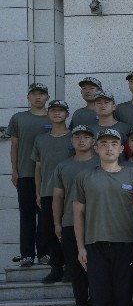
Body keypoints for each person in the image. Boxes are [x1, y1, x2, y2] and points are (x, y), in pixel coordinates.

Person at [72, 128, 133, 306]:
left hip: (125, 245)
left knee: (124, 298)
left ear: (121, 148)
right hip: (95, 245)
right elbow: (78, 213)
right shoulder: (84, 176)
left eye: (114, 143)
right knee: (101, 299)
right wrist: (81, 247)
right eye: (104, 143)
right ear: (96, 148)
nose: (109, 148)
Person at [51, 125, 98, 306]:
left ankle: (96, 304)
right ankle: (81, 305)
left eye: (86, 137)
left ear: (93, 141)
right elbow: (57, 196)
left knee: (97, 268)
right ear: (71, 141)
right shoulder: (63, 166)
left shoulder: (102, 163)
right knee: (75, 267)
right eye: (77, 137)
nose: (81, 140)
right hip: (70, 223)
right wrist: (57, 223)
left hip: (97, 224)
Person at [10, 82, 52, 267]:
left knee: (45, 216)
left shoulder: (54, 117)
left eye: (41, 93)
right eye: (34, 93)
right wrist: (14, 170)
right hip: (25, 174)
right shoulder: (18, 118)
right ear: (28, 97)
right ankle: (27, 254)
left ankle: (44, 253)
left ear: (47, 97)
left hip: (48, 175)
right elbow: (14, 146)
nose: (38, 97)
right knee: (26, 214)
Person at [32, 100, 73, 283]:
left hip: (71, 193)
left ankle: (71, 268)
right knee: (50, 232)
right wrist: (38, 192)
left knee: (70, 232)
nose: (57, 113)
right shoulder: (41, 139)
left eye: (61, 110)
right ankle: (56, 268)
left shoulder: (75, 137)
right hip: (48, 192)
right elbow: (38, 168)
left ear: (67, 114)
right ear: (48, 113)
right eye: (54, 110)